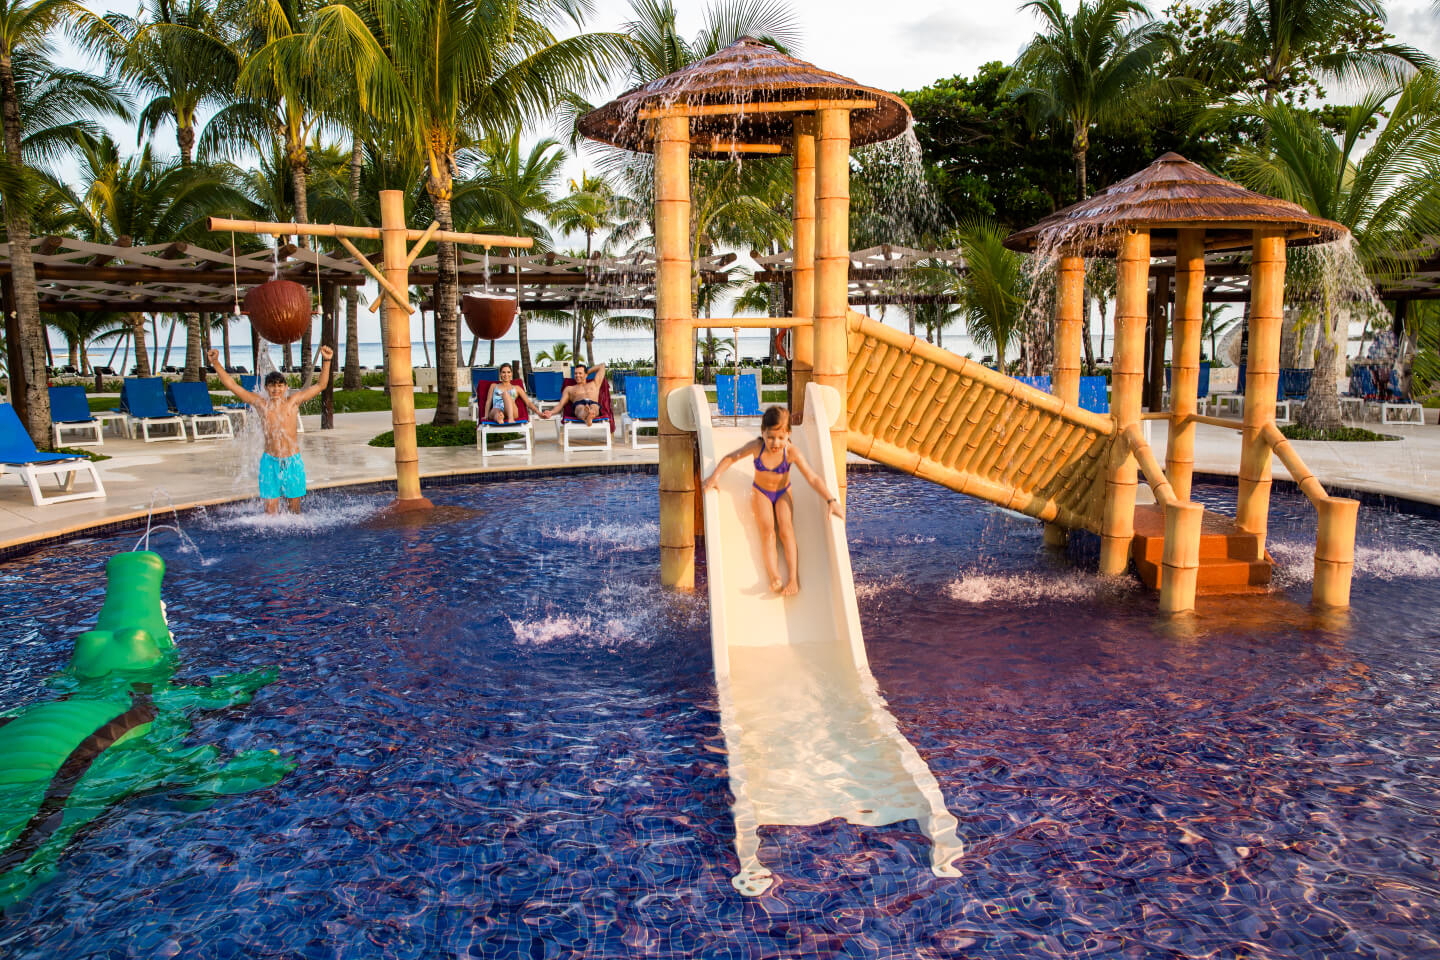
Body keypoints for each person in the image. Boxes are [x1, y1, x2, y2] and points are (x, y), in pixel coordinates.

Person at [700, 406, 843, 596]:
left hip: (783, 493)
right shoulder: (756, 447)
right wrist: (714, 477)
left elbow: (812, 477)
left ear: (788, 435)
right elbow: (731, 458)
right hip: (761, 493)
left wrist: (831, 500)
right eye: (771, 437)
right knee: (768, 531)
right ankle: (774, 576)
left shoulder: (791, 452)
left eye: (781, 438)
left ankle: (793, 578)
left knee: (786, 530)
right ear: (763, 432)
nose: (776, 443)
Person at [210, 346, 332, 515]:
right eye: (272, 386)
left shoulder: (293, 402)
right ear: (266, 388)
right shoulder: (261, 405)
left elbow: (321, 385)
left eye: (280, 386)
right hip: (269, 462)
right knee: (270, 514)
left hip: (292, 462)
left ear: (286, 387)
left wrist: (326, 361)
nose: (276, 389)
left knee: (294, 511)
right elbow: (232, 385)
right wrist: (215, 362)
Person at [539, 361, 607, 426]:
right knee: (579, 408)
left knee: (595, 407)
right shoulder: (569, 389)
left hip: (593, 403)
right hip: (579, 404)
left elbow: (602, 366)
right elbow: (561, 404)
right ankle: (586, 415)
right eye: (575, 373)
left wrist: (587, 372)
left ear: (586, 375)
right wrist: (551, 412)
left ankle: (589, 415)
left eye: (580, 373)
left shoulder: (594, 383)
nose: (577, 375)